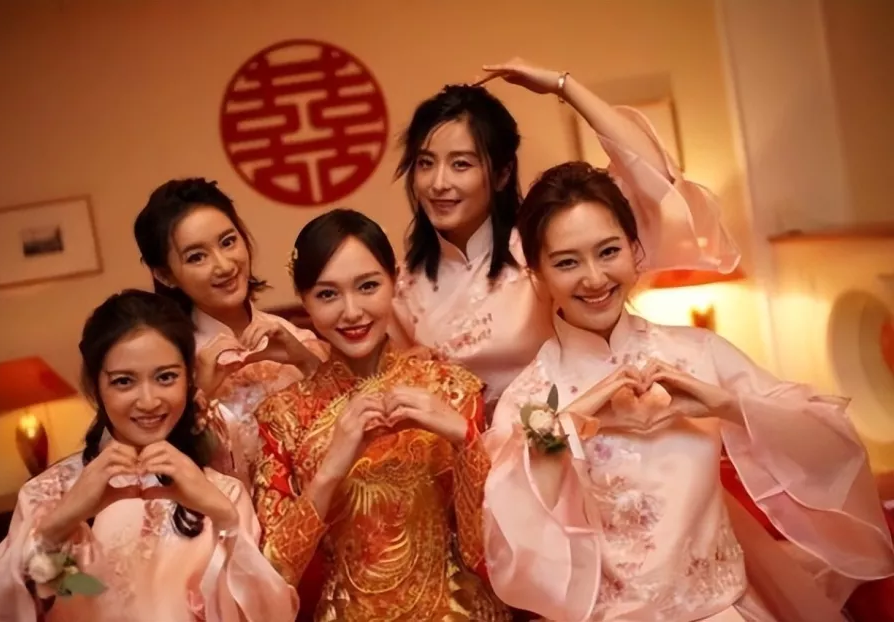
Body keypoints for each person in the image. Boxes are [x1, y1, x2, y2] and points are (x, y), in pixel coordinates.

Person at [482, 162, 894, 621]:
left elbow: (832, 447)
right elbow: (511, 551)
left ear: (635, 250)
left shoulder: (698, 354)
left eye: (608, 251)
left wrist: (727, 405)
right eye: (566, 262)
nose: (594, 278)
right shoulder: (532, 398)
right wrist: (567, 428)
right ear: (537, 274)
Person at [392, 58, 738, 412]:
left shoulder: (543, 249)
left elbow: (655, 177)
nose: (438, 183)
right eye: (425, 163)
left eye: (461, 164)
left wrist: (563, 85)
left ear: (501, 174)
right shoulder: (403, 289)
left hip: (581, 431)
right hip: (477, 446)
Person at [0, 290, 297, 622]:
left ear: (189, 379)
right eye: (124, 381)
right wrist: (59, 525)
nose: (149, 401)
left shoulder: (222, 494)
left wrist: (222, 515)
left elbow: (269, 614)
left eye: (166, 378)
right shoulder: (49, 494)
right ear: (96, 385)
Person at [253, 209, 511, 621]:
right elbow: (273, 574)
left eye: (368, 286)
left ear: (394, 280)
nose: (352, 312)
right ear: (303, 299)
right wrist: (330, 471)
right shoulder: (283, 416)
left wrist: (465, 439)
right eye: (327, 295)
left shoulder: (451, 388)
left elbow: (487, 552)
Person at [134, 178, 327, 492]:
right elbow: (150, 474)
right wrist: (199, 396)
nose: (224, 266)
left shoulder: (295, 338)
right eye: (197, 257)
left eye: (227, 242)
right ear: (165, 275)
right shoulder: (167, 366)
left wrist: (305, 360)